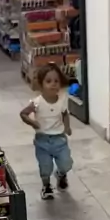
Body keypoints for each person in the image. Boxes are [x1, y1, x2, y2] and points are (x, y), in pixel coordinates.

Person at [20, 63, 72, 200]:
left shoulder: (62, 101)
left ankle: (61, 173)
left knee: (66, 163)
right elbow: (23, 114)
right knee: (45, 166)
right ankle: (46, 186)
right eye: (48, 81)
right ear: (41, 84)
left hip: (60, 139)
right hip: (42, 140)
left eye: (56, 81)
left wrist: (67, 127)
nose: (53, 84)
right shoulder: (37, 102)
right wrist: (32, 122)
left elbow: (65, 114)